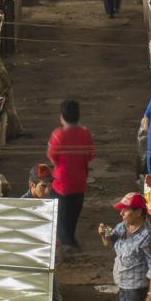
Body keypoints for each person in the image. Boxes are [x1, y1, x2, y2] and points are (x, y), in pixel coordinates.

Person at [21, 164, 93, 301]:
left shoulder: (49, 201)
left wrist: (55, 238)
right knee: (33, 300)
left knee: (55, 298)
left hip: (46, 260)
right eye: (43, 186)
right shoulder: (21, 207)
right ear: (31, 184)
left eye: (49, 185)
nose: (47, 190)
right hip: (29, 263)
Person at [47, 100, 95, 251]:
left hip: (61, 184)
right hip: (80, 182)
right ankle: (70, 240)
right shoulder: (85, 133)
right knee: (73, 215)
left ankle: (69, 244)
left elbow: (52, 156)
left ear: (62, 117)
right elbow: (90, 155)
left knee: (57, 216)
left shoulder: (58, 135)